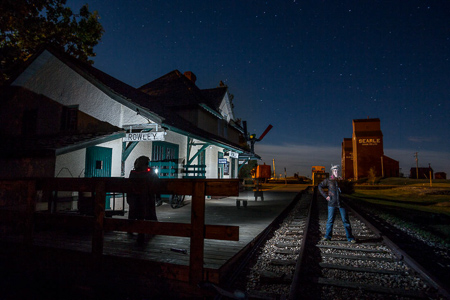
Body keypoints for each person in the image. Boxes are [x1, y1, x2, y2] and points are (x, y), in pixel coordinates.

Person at [318, 165, 356, 243]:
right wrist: (325, 196)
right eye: (335, 171)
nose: (336, 172)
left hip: (342, 203)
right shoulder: (328, 180)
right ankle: (327, 236)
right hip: (332, 203)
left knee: (345, 220)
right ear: (332, 172)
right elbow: (320, 186)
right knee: (330, 220)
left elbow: (348, 190)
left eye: (337, 171)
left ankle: (350, 238)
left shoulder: (341, 180)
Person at [127, 156, 159, 245]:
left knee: (133, 213)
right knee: (148, 213)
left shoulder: (133, 173)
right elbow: (156, 182)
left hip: (134, 198)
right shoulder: (149, 172)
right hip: (146, 198)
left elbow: (129, 185)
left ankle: (131, 229)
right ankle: (149, 230)